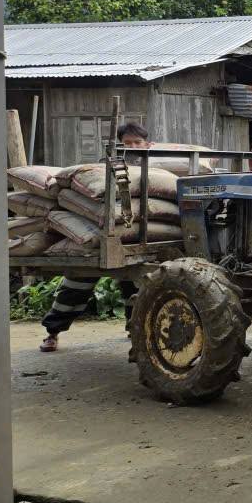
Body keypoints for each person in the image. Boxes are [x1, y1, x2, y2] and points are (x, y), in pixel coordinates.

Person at [39, 122, 152, 353]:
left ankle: (134, 328)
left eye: (137, 143)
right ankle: (53, 332)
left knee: (137, 286)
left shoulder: (154, 169)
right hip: (98, 237)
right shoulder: (103, 169)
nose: (131, 148)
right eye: (126, 144)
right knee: (76, 284)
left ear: (147, 145)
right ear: (117, 146)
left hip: (136, 240)